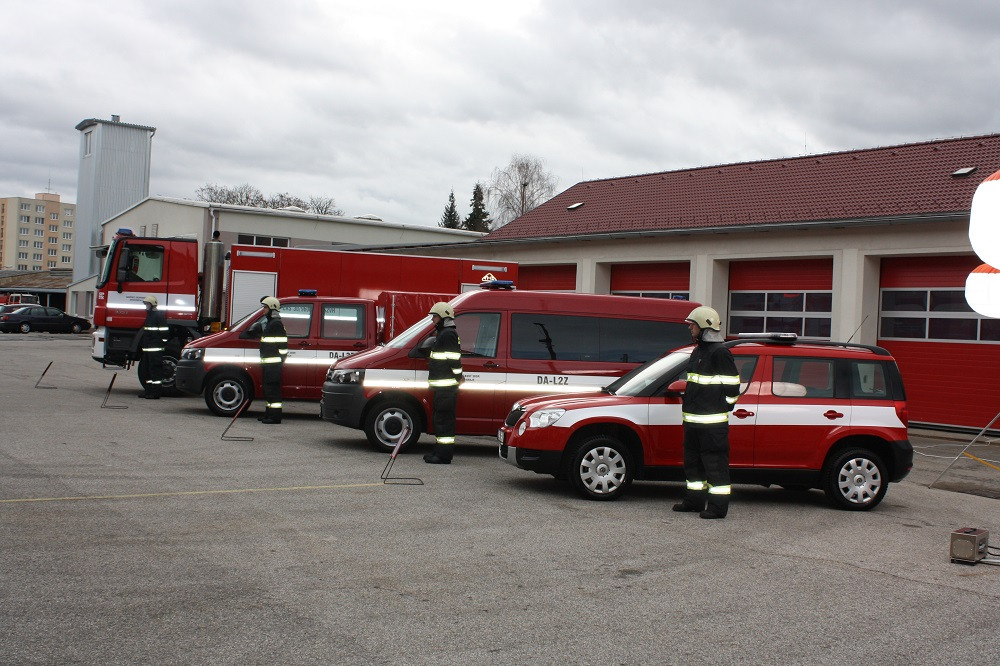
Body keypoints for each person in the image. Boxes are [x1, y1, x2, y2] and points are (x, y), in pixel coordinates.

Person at [672, 306, 740, 519]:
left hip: (712, 425)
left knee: (715, 466)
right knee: (692, 465)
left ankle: (718, 508)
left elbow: (732, 387)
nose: (690, 328)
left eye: (692, 325)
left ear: (704, 326)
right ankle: (694, 502)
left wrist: (722, 406)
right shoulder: (698, 351)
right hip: (693, 423)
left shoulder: (720, 352)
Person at [424, 302, 463, 464]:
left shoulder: (448, 334)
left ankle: (443, 456)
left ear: (443, 317)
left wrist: (459, 376)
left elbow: (453, 359)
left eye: (435, 316)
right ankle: (439, 451)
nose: (433, 320)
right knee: (440, 420)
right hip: (442, 388)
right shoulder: (444, 333)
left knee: (444, 421)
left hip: (446, 388)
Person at [247, 296, 287, 424]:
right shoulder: (270, 322)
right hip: (269, 363)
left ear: (272, 308)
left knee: (273, 390)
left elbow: (282, 345)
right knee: (268, 390)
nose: (263, 309)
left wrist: (279, 360)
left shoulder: (276, 324)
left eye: (265, 307)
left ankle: (275, 417)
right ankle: (268, 414)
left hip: (273, 364)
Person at [137, 295, 168, 399]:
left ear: (152, 304)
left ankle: (155, 393)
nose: (146, 306)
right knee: (146, 371)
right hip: (147, 349)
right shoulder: (150, 315)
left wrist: (161, 344)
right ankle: (148, 391)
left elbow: (164, 332)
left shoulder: (158, 316)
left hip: (155, 349)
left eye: (147, 304)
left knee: (155, 371)